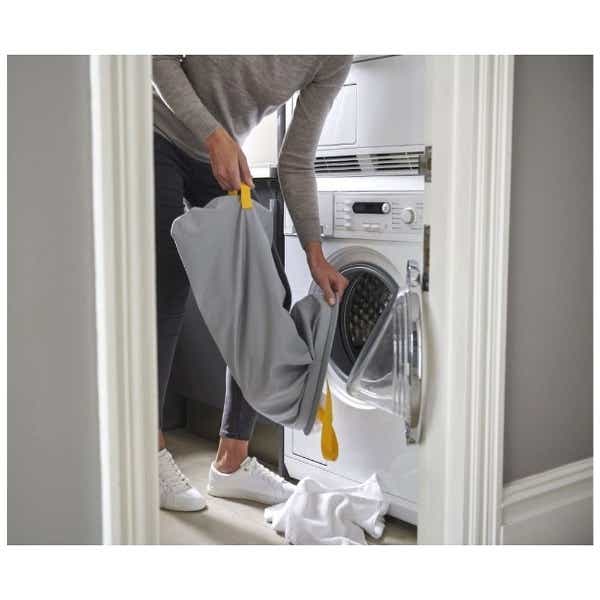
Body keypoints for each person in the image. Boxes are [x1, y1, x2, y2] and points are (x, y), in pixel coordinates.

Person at [152, 55, 352, 511]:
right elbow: (155, 57)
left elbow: (296, 162)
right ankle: (148, 450)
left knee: (267, 296)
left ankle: (232, 462)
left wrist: (315, 253)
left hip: (220, 156)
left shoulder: (333, 57)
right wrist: (214, 134)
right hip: (158, 130)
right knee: (165, 287)